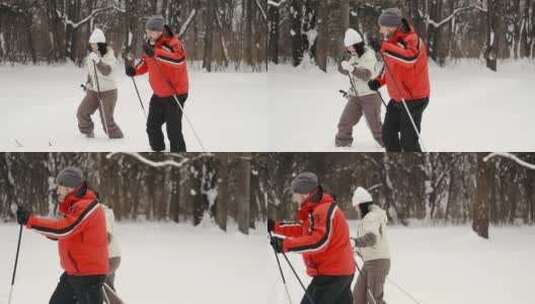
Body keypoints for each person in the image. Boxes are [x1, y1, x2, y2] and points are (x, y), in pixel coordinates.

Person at [16, 167, 109, 304]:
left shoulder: (88, 206)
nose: (57, 191)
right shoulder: (73, 207)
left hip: (89, 276)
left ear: (70, 188)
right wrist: (29, 222)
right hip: (74, 274)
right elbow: (59, 233)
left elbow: (63, 229)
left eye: (60, 187)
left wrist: (31, 220)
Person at [268, 172, 355, 304]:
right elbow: (303, 230)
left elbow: (319, 241)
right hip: (337, 272)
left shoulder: (323, 210)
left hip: (332, 275)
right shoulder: (316, 210)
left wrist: (285, 244)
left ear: (305, 194)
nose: (294, 199)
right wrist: (275, 227)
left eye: (295, 195)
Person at [367, 8, 430, 152]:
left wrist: (383, 46)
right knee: (388, 135)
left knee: (408, 141)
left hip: (414, 99)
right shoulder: (390, 41)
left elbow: (410, 58)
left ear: (390, 26)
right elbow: (389, 67)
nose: (380, 30)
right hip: (397, 98)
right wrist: (378, 81)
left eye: (381, 26)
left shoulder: (412, 40)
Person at [125, 15, 190, 152]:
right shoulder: (150, 44)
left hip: (175, 94)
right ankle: (158, 151)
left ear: (159, 31)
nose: (148, 34)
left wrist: (156, 53)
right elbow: (145, 63)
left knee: (173, 130)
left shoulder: (173, 43)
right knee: (152, 127)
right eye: (147, 31)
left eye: (151, 31)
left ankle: (178, 155)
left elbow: (178, 60)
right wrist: (134, 70)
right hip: (159, 94)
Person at [337, 28, 384, 148]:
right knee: (344, 123)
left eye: (352, 46)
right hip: (355, 96)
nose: (350, 49)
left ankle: (389, 146)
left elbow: (366, 75)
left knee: (376, 128)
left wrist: (352, 69)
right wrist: (343, 66)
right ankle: (342, 145)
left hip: (370, 96)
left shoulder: (369, 55)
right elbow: (347, 72)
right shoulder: (353, 56)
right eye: (348, 47)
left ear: (358, 44)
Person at [78, 28, 124, 139]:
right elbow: (91, 72)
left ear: (101, 44)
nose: (93, 47)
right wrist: (88, 83)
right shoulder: (91, 56)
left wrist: (98, 61)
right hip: (94, 91)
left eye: (95, 44)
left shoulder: (109, 55)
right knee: (82, 112)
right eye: (91, 44)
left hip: (108, 92)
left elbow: (106, 71)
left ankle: (118, 139)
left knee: (107, 123)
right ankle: (88, 132)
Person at [351, 187, 391, 304]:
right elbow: (371, 242)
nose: (356, 210)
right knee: (358, 296)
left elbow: (371, 238)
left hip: (377, 262)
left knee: (374, 299)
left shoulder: (371, 217)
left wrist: (355, 242)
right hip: (370, 262)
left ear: (361, 205)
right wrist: (355, 249)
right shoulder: (369, 218)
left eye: (356, 207)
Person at [102, 204, 123, 304]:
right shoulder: (104, 211)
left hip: (109, 257)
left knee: (101, 286)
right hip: (111, 257)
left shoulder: (102, 212)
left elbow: (107, 237)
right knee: (107, 287)